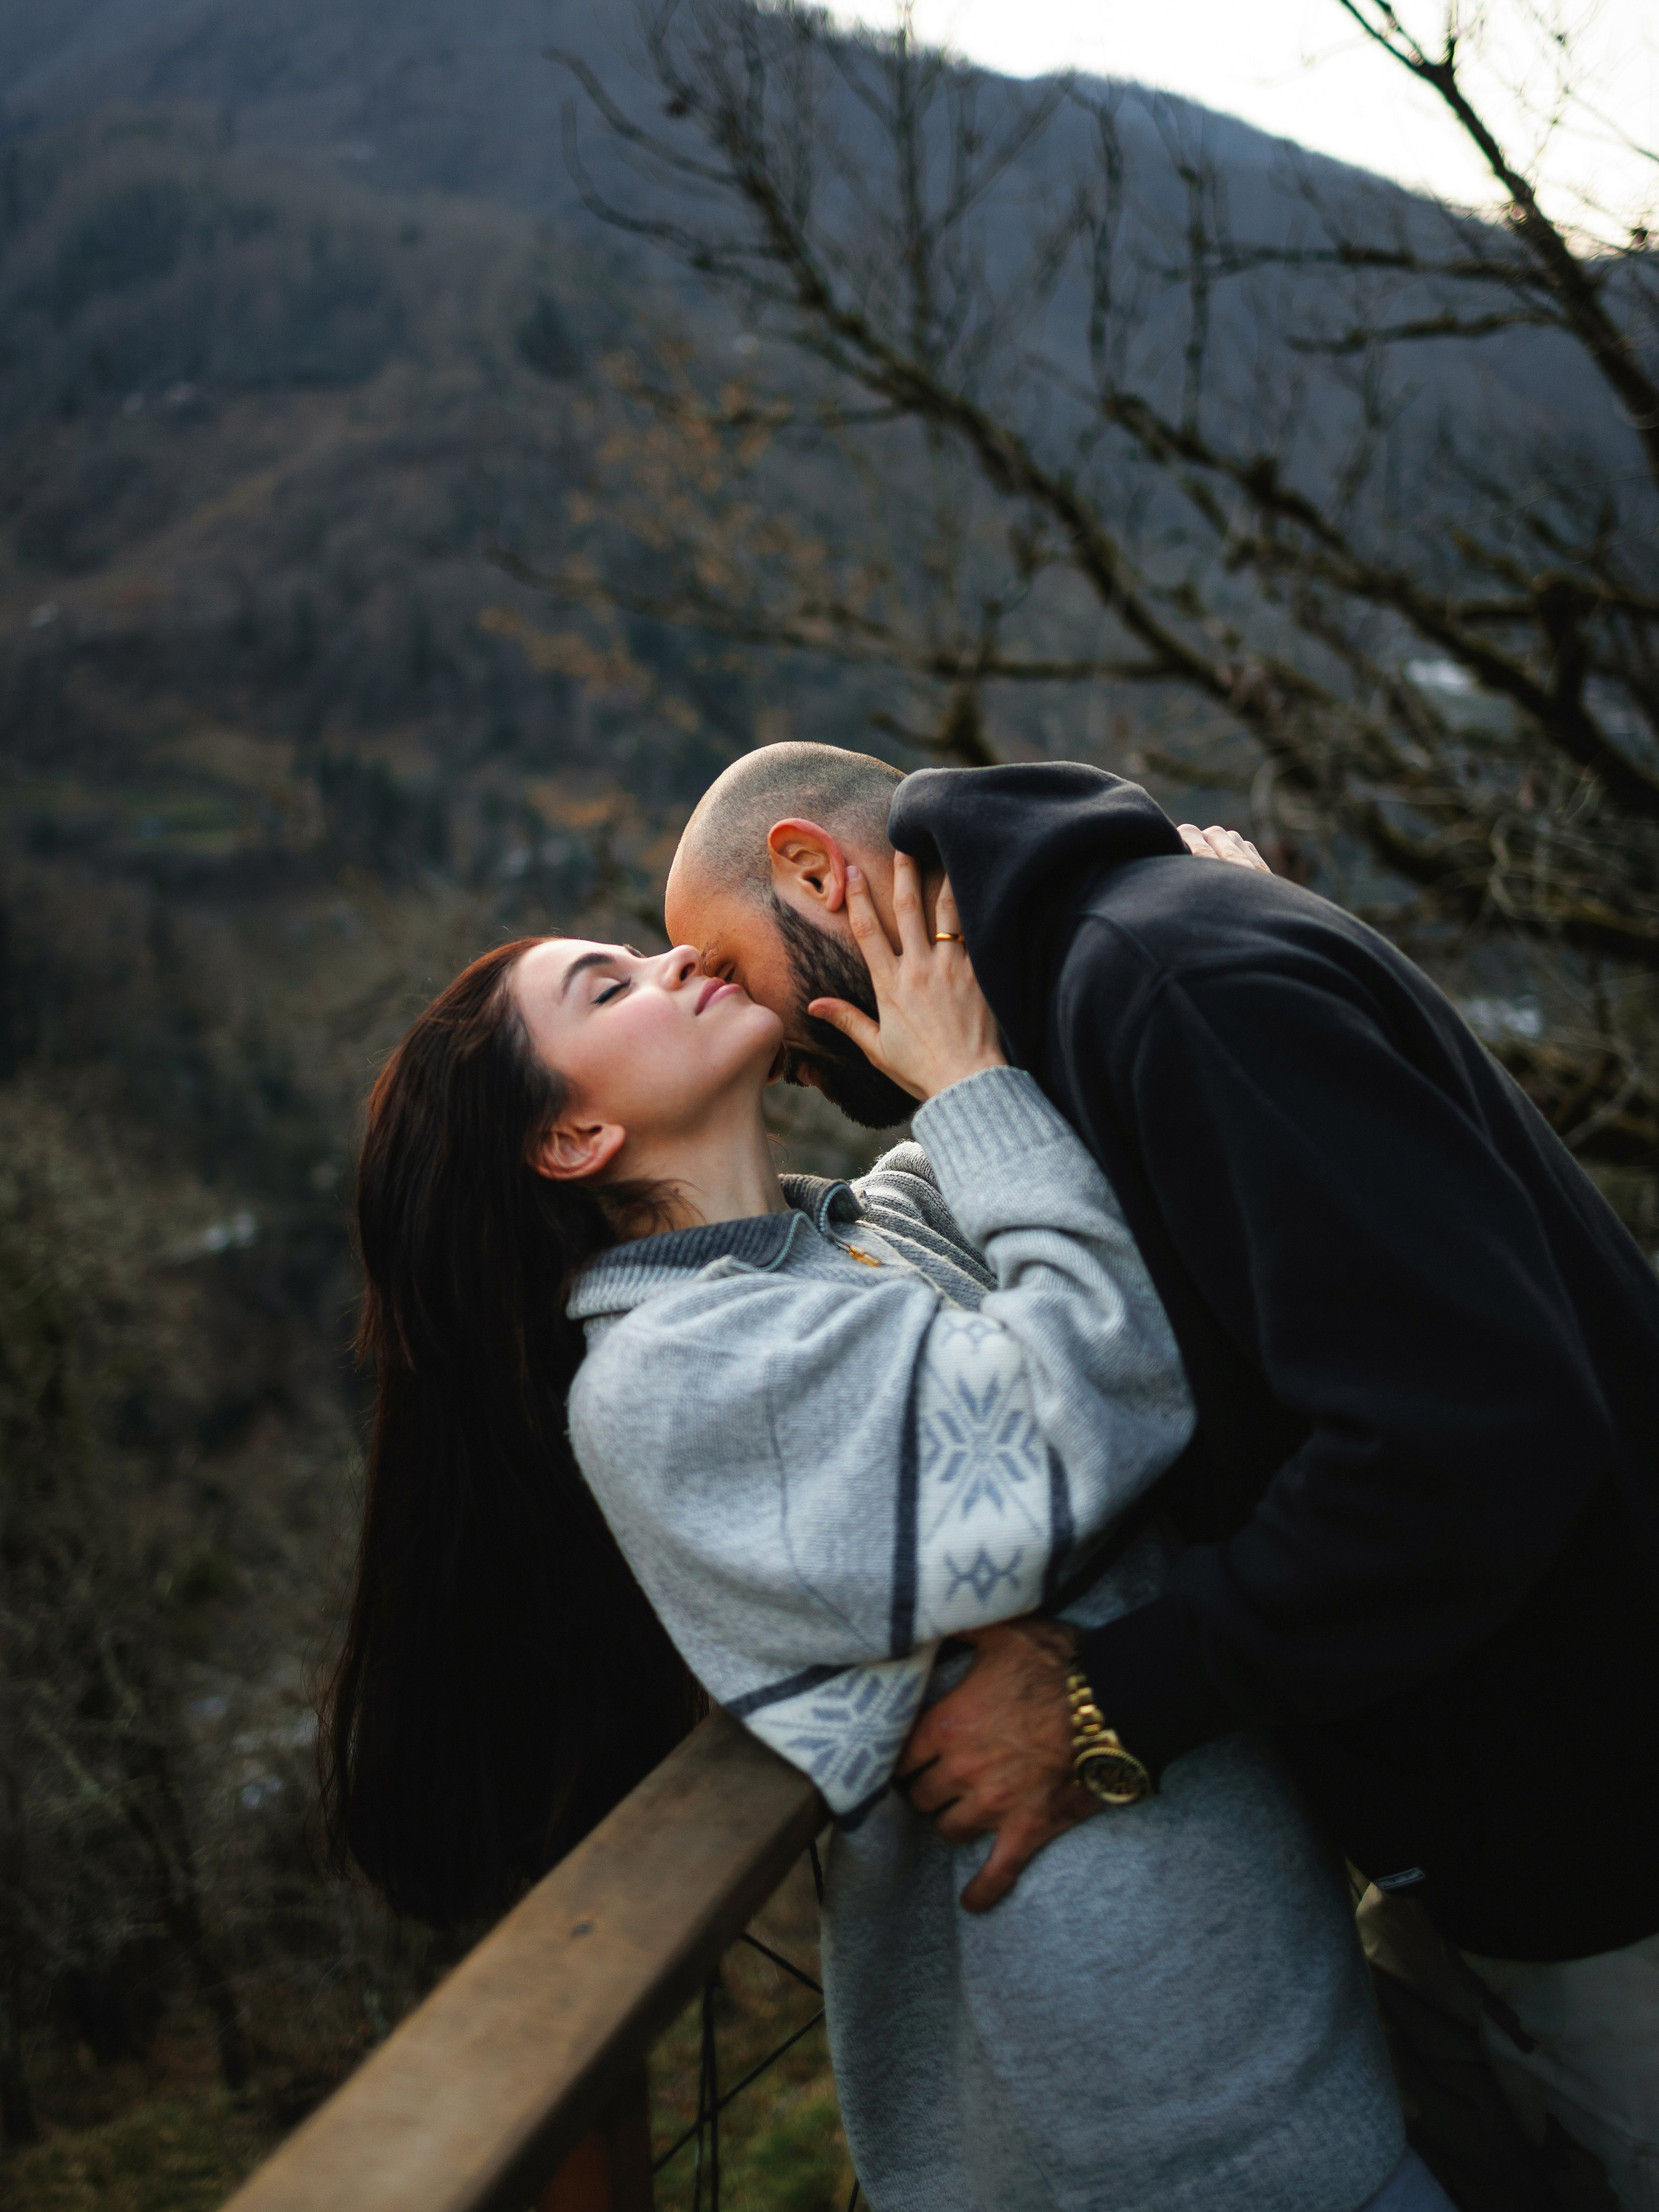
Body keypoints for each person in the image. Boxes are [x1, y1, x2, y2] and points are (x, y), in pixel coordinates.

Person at [322, 876, 1450, 2211]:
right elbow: (1095, 1387)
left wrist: (1195, 897)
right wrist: (965, 1080)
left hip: (1258, 2034)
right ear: (572, 1137)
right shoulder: (670, 1376)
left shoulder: (841, 1239)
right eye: (607, 986)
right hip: (1138, 2119)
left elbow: (1028, 1143)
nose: (673, 955)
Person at [662, 743, 1659, 2209]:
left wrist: (1102, 1702)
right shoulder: (1094, 995)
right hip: (1488, 1833)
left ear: (814, 869)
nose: (747, 1026)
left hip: (1600, 1847)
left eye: (721, 962)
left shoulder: (1165, 982)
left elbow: (1462, 1445)